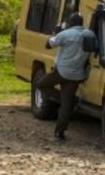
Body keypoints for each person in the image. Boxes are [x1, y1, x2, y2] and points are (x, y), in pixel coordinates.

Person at [43, 9, 100, 142]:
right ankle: (60, 133)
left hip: (62, 71)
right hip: (77, 74)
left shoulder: (66, 34)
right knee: (66, 105)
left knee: (41, 84)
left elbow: (48, 45)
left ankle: (64, 100)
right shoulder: (90, 34)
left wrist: (55, 34)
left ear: (70, 23)